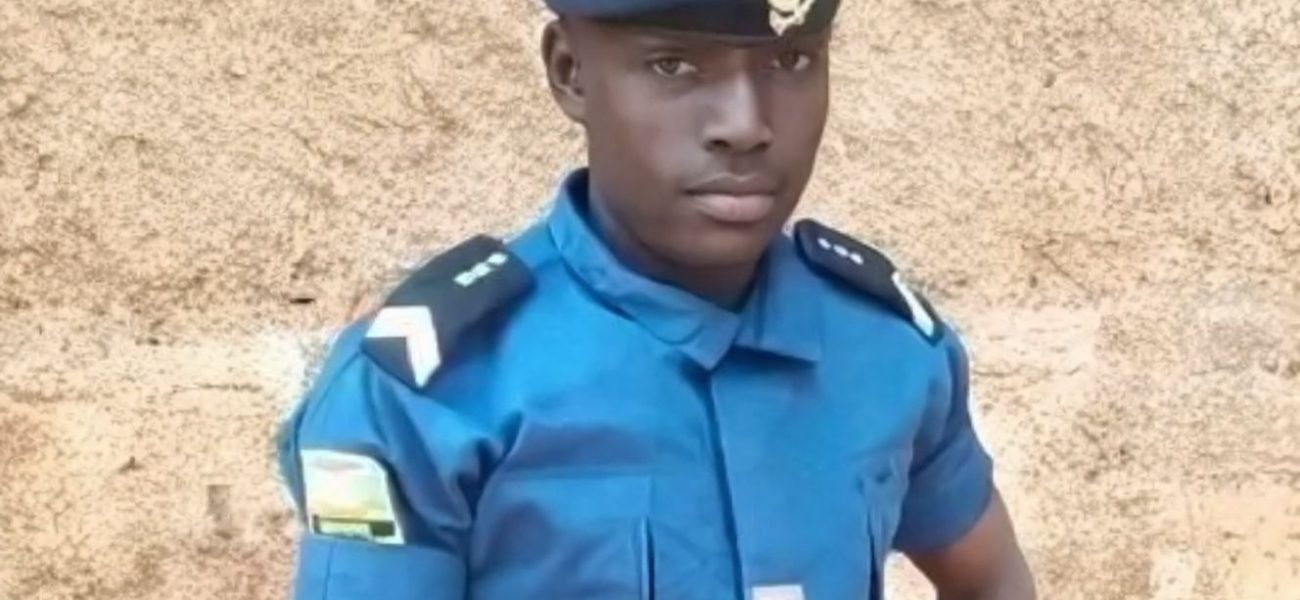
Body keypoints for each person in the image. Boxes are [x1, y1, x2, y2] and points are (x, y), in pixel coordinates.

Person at [276, 0, 1036, 598]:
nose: (745, 124)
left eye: (791, 59)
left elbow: (991, 580)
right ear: (571, 73)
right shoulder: (430, 393)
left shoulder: (885, 349)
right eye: (675, 64)